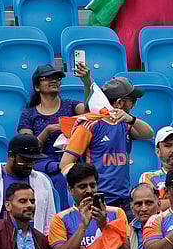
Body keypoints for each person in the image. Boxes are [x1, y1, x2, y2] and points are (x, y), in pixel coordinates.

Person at [60, 70, 156, 209]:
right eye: (132, 100)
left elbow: (148, 133)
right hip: (97, 200)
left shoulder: (126, 125)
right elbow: (65, 164)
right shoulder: (89, 126)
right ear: (119, 103)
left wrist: (131, 119)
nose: (133, 105)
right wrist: (86, 186)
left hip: (123, 199)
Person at [17, 64, 86, 198]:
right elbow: (27, 147)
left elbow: (90, 111)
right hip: (42, 162)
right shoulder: (29, 113)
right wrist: (47, 131)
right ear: (37, 86)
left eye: (57, 78)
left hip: (71, 158)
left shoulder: (71, 105)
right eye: (47, 78)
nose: (53, 80)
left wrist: (87, 81)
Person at [0, 133, 56, 234]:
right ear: (11, 155)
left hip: (32, 245)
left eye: (33, 161)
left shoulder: (42, 181)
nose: (30, 165)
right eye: (25, 160)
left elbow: (49, 223)